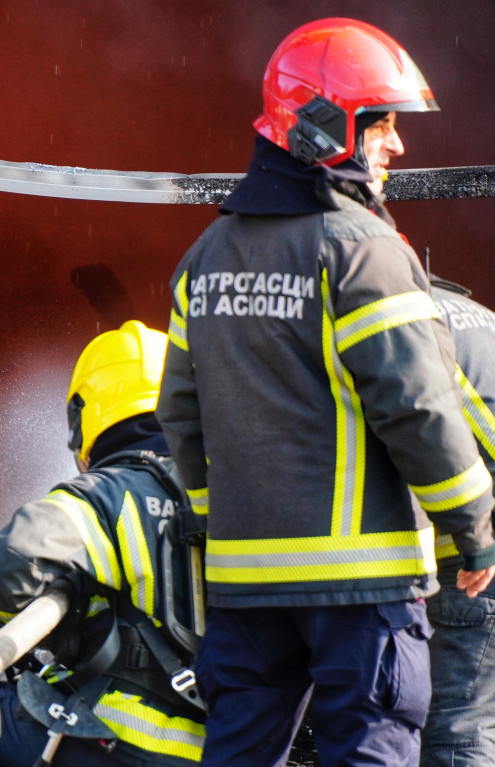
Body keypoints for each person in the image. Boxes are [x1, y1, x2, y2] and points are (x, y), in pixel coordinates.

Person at [155, 18, 495, 767]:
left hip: (244, 588)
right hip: (361, 589)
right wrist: (472, 523)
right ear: (324, 126)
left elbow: (180, 417)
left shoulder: (202, 259)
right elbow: (416, 404)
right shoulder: (361, 250)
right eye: (380, 124)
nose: (395, 146)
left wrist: (224, 522)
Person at [0, 320, 206, 767]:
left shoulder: (110, 492)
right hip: (217, 752)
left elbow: (8, 564)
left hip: (107, 738)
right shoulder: (233, 499)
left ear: (85, 418)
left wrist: (67, 619)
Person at [422, 276, 495, 767]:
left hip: (473, 572)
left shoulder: (413, 325)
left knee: (457, 734)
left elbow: (427, 428)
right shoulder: (483, 319)